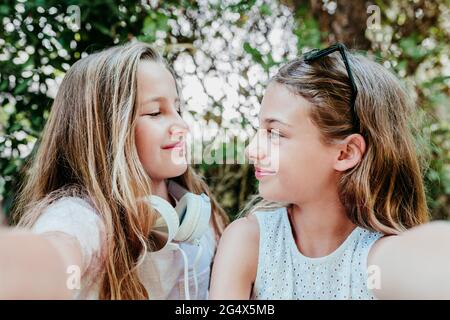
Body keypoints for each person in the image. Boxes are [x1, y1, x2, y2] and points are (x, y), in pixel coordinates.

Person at [209, 43, 450, 300]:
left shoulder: (376, 259)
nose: (251, 150)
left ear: (345, 153)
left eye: (275, 133)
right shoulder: (249, 243)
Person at [0, 41, 228, 299]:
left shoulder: (195, 208)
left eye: (177, 109)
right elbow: (54, 256)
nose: (181, 125)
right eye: (155, 112)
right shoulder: (80, 219)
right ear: (107, 133)